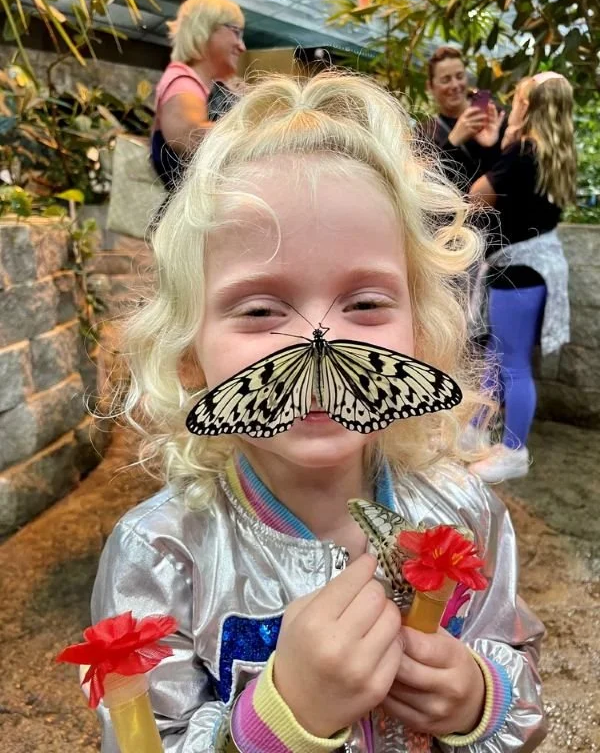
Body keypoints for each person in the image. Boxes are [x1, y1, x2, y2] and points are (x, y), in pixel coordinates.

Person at [92, 73, 546, 752]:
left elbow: (519, 668)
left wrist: (483, 695)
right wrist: (270, 721)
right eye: (259, 309)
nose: (316, 342)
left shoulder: (465, 514)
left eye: (365, 304)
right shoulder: (161, 556)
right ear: (190, 356)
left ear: (417, 336)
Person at [467, 73, 575, 482]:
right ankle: (475, 431)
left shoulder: (525, 151)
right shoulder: (553, 151)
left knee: (510, 363)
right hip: (529, 268)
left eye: (516, 100)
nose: (511, 106)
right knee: (499, 357)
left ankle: (513, 450)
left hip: (518, 271)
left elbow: (478, 195)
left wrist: (501, 143)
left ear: (527, 107)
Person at [151, 0, 246, 192]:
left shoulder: (205, 85)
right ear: (205, 29)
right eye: (236, 32)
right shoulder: (182, 81)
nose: (241, 46)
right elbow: (191, 137)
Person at [422, 47, 505, 192]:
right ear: (431, 86)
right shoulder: (426, 131)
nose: (455, 85)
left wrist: (492, 145)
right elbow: (427, 185)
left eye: (459, 76)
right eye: (445, 80)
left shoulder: (491, 113)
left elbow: (512, 169)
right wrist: (453, 141)